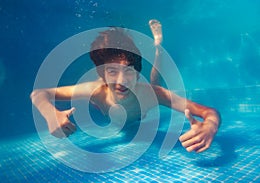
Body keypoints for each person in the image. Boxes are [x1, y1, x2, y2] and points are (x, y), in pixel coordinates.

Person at [30, 27, 221, 153]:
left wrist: (210, 126)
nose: (122, 81)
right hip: (102, 105)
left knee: (156, 85)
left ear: (138, 73)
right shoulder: (95, 90)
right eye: (112, 71)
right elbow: (39, 94)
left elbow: (209, 112)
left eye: (129, 71)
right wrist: (50, 113)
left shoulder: (152, 94)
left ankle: (158, 50)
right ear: (103, 74)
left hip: (141, 110)